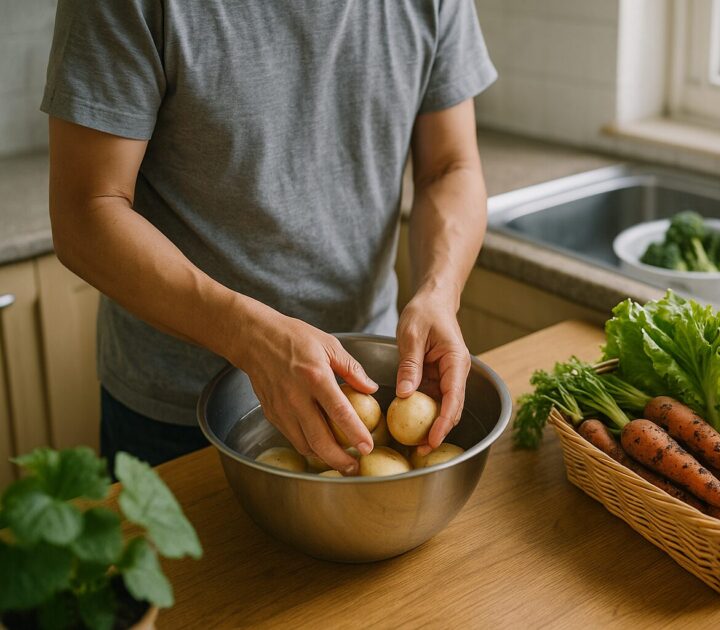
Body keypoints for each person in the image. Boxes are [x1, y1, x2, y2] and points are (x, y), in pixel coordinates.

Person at [42, 1, 496, 476]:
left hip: (368, 387)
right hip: (181, 413)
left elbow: (450, 167)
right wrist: (249, 337)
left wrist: (440, 292)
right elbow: (84, 214)